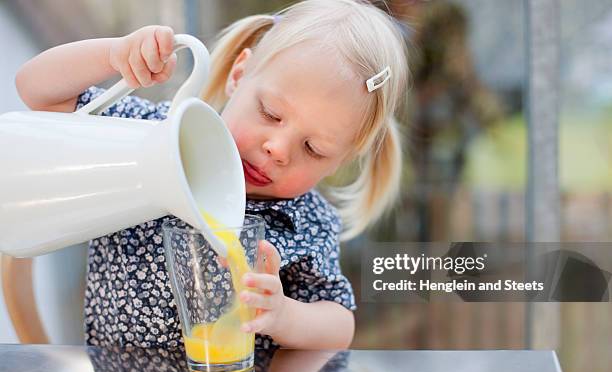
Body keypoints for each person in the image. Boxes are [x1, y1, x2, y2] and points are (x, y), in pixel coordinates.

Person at [15, 0, 408, 351]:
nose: (279, 149)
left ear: (341, 160)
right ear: (240, 73)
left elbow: (340, 324)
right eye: (270, 113)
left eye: (313, 149)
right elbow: (36, 91)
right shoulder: (155, 136)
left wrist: (285, 315)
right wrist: (116, 54)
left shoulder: (306, 221)